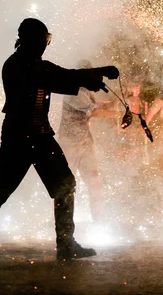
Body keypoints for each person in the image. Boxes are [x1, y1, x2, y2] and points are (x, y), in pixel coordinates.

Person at [0, 18, 119, 261]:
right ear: (33, 40)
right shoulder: (20, 66)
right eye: (44, 40)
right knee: (4, 190)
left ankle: (64, 244)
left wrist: (95, 74)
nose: (46, 44)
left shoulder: (29, 63)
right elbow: (59, 77)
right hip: (23, 138)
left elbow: (62, 75)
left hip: (36, 136)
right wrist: (95, 74)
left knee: (62, 185)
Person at [57, 59, 121, 222]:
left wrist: (112, 104)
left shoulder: (84, 89)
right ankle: (61, 224)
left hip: (85, 142)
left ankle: (99, 221)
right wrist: (120, 115)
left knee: (95, 182)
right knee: (66, 185)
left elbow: (95, 105)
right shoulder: (73, 90)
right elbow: (94, 111)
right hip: (69, 144)